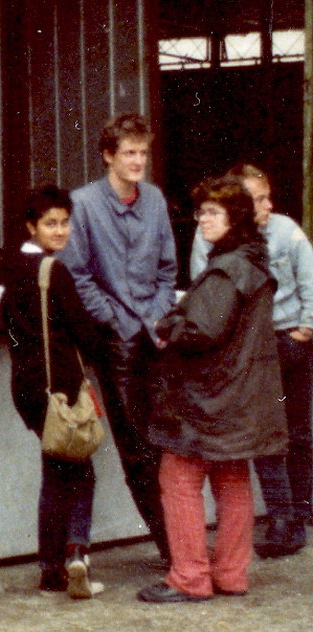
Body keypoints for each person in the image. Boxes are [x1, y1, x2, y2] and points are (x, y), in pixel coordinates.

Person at [138, 175, 288, 603]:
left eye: (212, 212)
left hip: (208, 397)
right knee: (232, 477)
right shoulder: (253, 262)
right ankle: (230, 575)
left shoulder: (228, 268)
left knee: (178, 477)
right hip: (237, 396)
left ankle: (189, 578)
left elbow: (203, 330)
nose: (202, 219)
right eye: (201, 211)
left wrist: (168, 326)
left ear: (235, 217)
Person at [58, 113, 177, 563]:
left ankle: (178, 545)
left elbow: (168, 269)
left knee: (167, 442)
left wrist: (159, 315)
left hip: (156, 338)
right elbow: (78, 274)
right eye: (128, 152)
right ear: (108, 155)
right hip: (116, 340)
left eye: (143, 152)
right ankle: (173, 548)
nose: (138, 161)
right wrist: (117, 320)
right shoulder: (83, 204)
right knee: (137, 448)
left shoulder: (156, 200)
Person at [190, 164, 313, 557]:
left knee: (298, 431)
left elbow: (310, 279)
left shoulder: (285, 231)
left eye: (267, 196)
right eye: (257, 198)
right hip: (250, 349)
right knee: (267, 436)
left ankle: (300, 513)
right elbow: (203, 288)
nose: (267, 205)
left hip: (288, 339)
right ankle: (282, 519)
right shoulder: (213, 238)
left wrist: (305, 330)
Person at [0, 185, 104, 598]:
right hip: (59, 387)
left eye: (64, 222)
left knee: (57, 470)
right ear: (31, 226)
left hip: (26, 387)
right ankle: (72, 558)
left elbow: (6, 320)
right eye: (50, 223)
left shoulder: (10, 270)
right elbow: (84, 331)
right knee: (76, 473)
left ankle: (54, 567)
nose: (59, 231)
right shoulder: (53, 271)